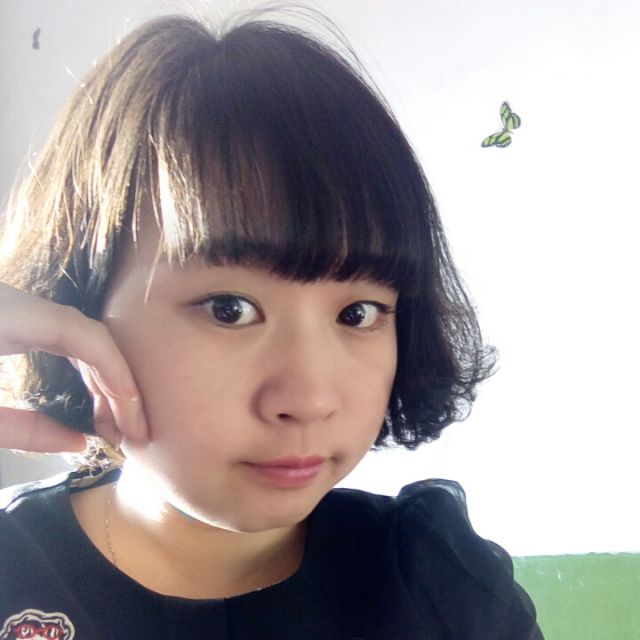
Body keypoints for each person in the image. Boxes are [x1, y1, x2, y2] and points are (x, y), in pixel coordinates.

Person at [0, 11, 543, 640]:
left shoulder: (439, 587)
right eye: (229, 309)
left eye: (358, 313)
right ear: (77, 303)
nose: (310, 399)